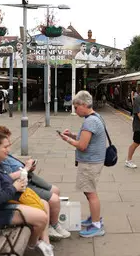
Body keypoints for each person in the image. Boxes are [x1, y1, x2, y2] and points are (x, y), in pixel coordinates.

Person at [0, 131, 54, 256]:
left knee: (44, 204)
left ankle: (46, 245)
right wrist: (15, 188)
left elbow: (2, 183)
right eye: (5, 147)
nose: (8, 150)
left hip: (2, 205)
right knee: (42, 217)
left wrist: (17, 182)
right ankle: (31, 248)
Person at [0, 125, 71, 240]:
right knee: (53, 200)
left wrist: (27, 167)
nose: (10, 145)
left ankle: (51, 225)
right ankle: (50, 227)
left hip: (28, 179)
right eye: (7, 143)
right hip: (22, 186)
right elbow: (7, 179)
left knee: (55, 190)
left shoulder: (4, 154)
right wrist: (26, 168)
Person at [58, 91, 106, 238]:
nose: (75, 109)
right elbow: (87, 138)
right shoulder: (95, 117)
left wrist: (67, 140)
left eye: (76, 106)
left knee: (91, 193)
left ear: (84, 105)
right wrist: (72, 135)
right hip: (94, 160)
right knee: (89, 191)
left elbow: (82, 145)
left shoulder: (90, 121)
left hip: (90, 162)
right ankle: (94, 217)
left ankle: (97, 226)